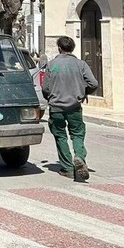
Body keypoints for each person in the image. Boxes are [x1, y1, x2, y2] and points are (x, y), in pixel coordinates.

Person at [42, 35, 98, 182]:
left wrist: (51, 97)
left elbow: (45, 88)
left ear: (59, 48)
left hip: (56, 107)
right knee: (78, 133)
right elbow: (93, 83)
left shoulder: (52, 64)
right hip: (74, 106)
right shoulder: (81, 65)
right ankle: (79, 156)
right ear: (72, 48)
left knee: (60, 136)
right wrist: (84, 92)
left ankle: (67, 168)